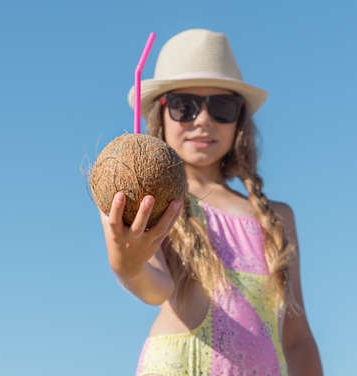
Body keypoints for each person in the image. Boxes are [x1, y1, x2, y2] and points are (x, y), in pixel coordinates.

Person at [99, 29, 323, 376]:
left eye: (221, 107)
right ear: (161, 114)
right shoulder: (158, 201)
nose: (203, 119)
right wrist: (127, 263)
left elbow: (296, 338)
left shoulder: (277, 218)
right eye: (184, 106)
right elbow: (156, 287)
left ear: (240, 121)